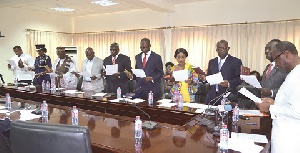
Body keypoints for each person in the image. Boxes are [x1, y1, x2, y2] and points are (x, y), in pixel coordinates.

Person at [255, 41, 300, 153]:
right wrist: (272, 102)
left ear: (286, 54)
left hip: (290, 140)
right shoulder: (293, 73)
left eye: (276, 59)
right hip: (284, 134)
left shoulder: (298, 76)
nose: (276, 63)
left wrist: (270, 108)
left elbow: (297, 111)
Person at [200, 40, 242, 105]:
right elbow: (209, 77)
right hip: (211, 97)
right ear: (216, 50)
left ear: (228, 48)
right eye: (219, 49)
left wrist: (228, 83)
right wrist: (204, 79)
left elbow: (239, 79)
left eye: (224, 48)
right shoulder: (212, 62)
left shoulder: (235, 61)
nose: (221, 50)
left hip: (228, 96)